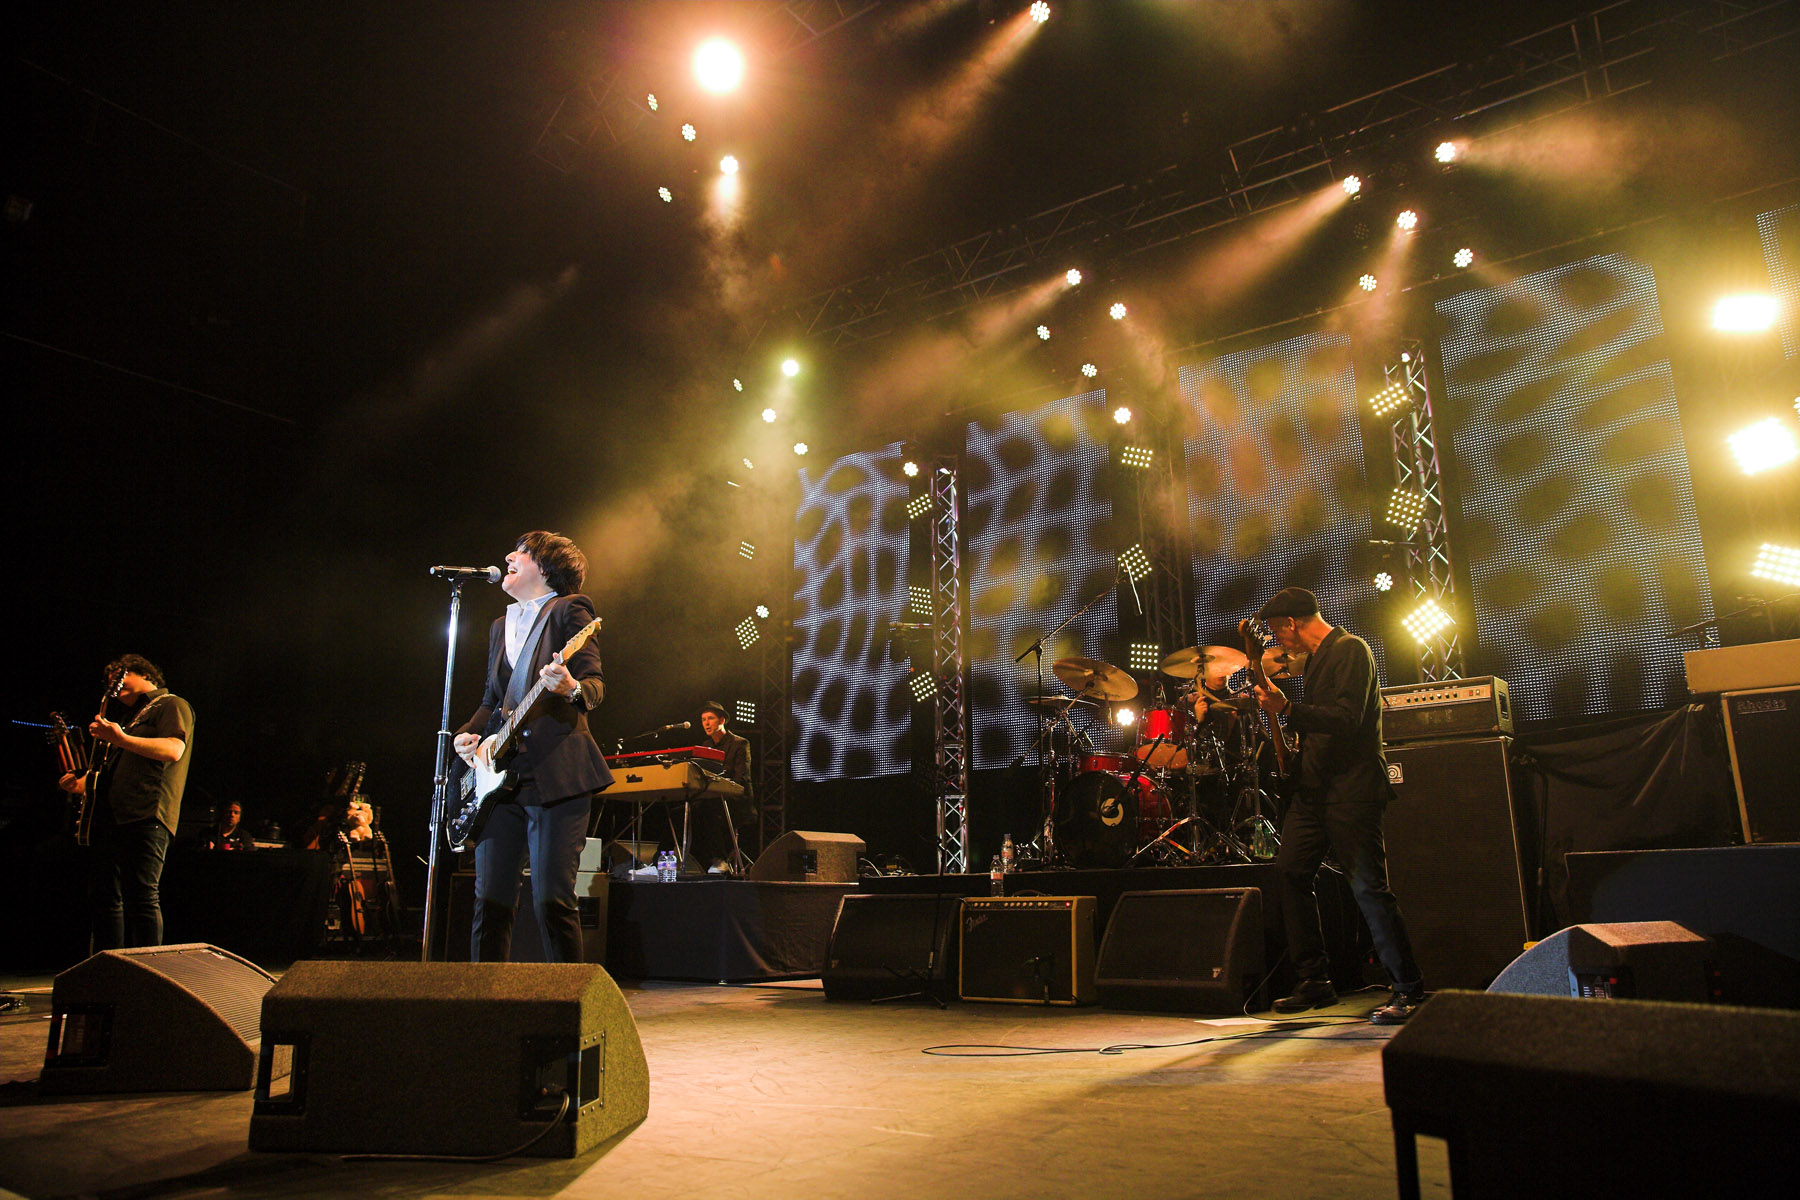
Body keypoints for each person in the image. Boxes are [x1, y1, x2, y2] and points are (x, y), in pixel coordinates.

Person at [1248, 587, 1426, 1025]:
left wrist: (1288, 708)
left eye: (1277, 632)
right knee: (1290, 872)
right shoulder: (1317, 661)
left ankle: (1407, 989)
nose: (1277, 641)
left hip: (1352, 790)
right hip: (1314, 791)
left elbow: (1348, 718)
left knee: (1368, 888)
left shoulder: (1351, 650)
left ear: (1291, 623)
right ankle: (1314, 980)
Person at [453, 530, 611, 962]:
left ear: (546, 567)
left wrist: (570, 686)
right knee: (491, 902)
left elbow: (595, 685)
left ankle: (568, 999)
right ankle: (484, 999)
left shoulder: (569, 609)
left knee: (552, 901)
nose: (509, 555)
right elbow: (492, 701)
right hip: (501, 782)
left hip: (556, 774)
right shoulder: (499, 626)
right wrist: (468, 734)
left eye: (522, 552)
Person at [57, 654, 194, 949]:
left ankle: (146, 970)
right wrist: (80, 785)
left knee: (141, 898)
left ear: (143, 673)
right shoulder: (130, 720)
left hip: (146, 813)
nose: (114, 685)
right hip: (112, 818)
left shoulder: (171, 704)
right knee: (104, 898)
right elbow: (112, 772)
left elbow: (173, 749)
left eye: (119, 676)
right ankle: (108, 966)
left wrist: (120, 739)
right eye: (109, 681)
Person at [690, 701, 754, 872]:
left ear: (722, 720)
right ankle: (660, 860)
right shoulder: (705, 746)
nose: (706, 723)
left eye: (710, 718)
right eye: (703, 719)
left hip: (736, 801)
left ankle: (720, 859)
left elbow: (741, 779)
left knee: (709, 809)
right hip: (711, 799)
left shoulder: (740, 744)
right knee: (682, 810)